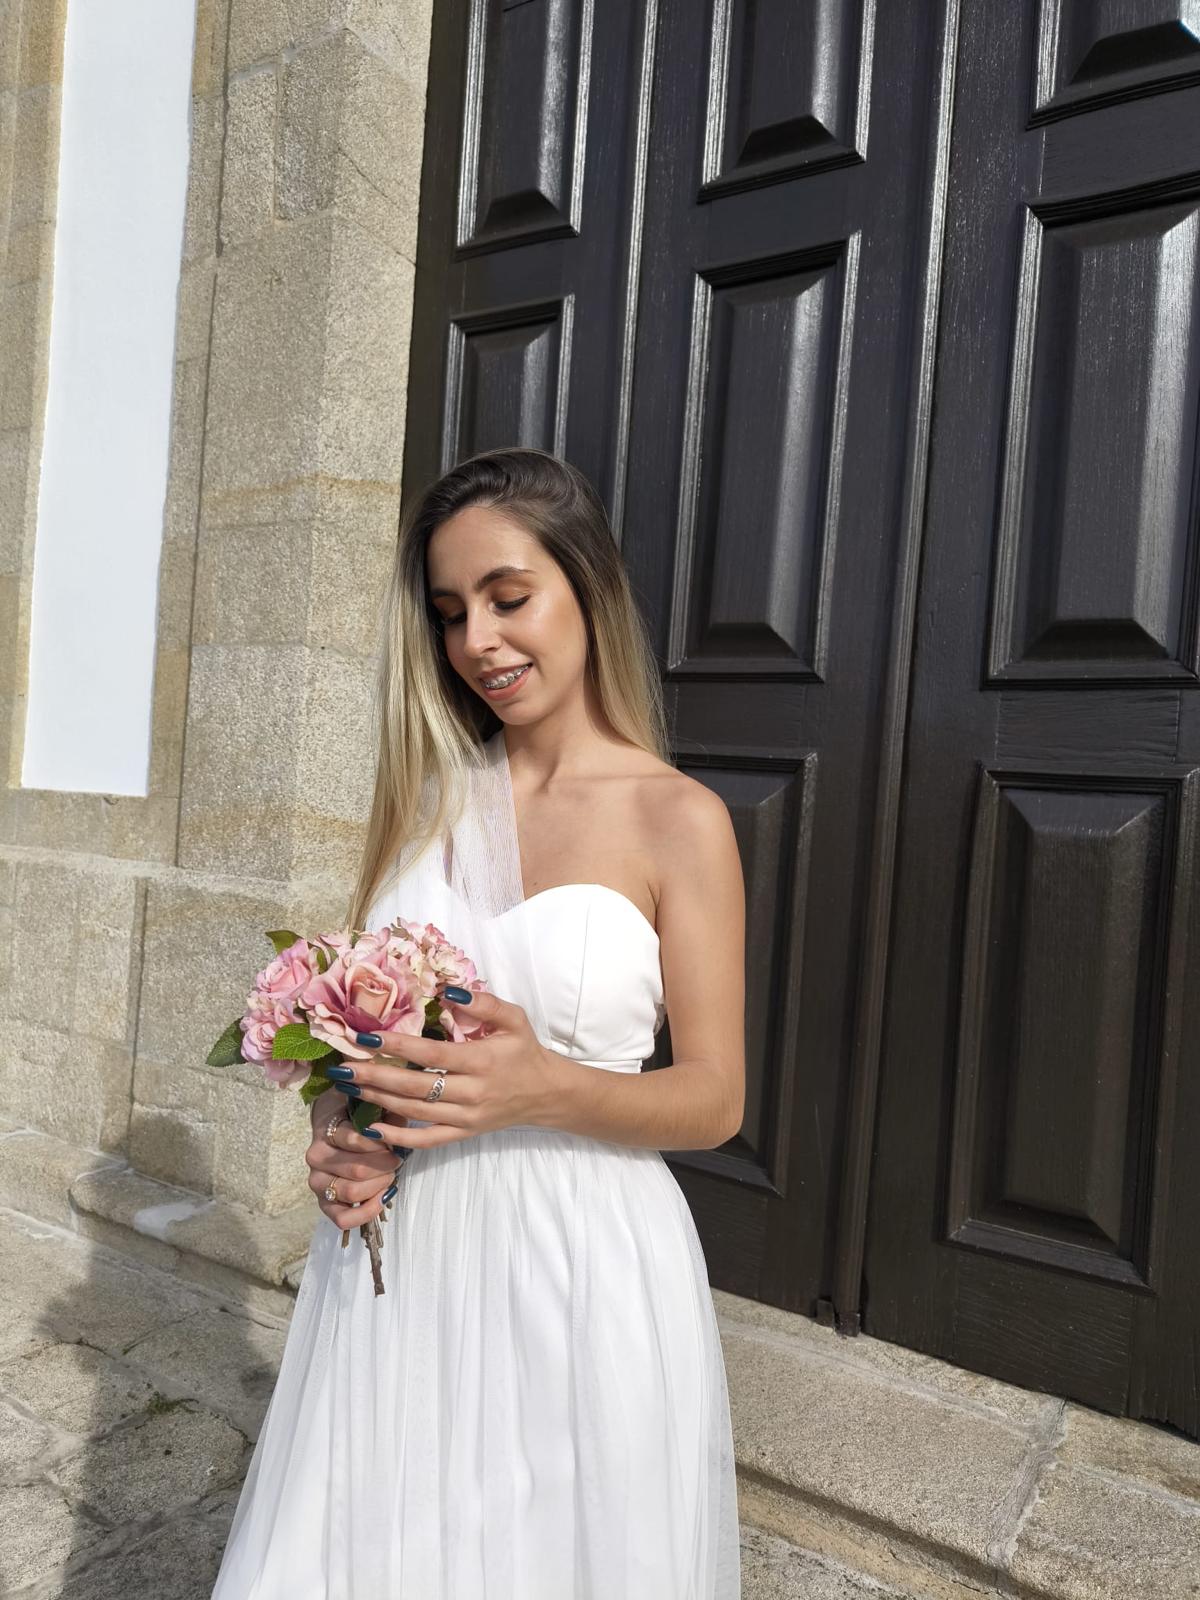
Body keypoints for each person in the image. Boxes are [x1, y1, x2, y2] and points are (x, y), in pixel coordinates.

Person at [211, 446, 745, 1598]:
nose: (479, 643)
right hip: (408, 1264)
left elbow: (713, 1097)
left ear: (587, 587)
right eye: (453, 614)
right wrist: (347, 1134)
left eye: (510, 598)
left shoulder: (678, 819)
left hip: (582, 1260)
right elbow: (375, 1048)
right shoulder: (430, 800)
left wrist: (541, 1085)